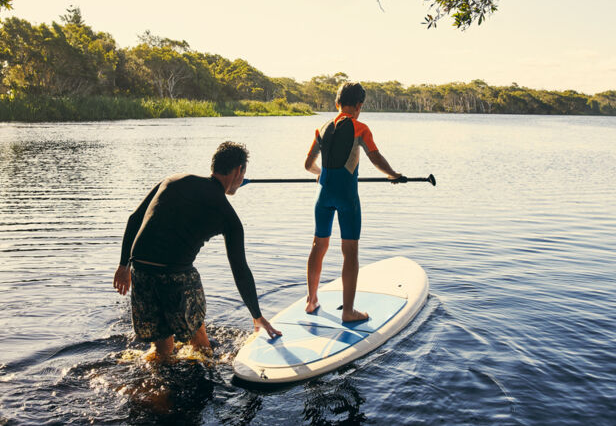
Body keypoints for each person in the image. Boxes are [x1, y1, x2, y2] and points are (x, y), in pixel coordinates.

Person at [113, 141, 282, 362]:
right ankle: (207, 368)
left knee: (162, 348)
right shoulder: (227, 215)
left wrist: (123, 265)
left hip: (140, 271)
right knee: (199, 339)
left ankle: (158, 383)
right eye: (243, 173)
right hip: (175, 275)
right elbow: (240, 270)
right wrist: (257, 316)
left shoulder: (174, 180)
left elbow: (134, 219)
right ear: (239, 171)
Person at [304, 82, 402, 322]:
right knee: (350, 251)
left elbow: (308, 165)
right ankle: (348, 312)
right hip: (347, 197)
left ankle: (311, 300)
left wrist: (320, 173)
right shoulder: (360, 128)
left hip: (323, 195)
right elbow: (375, 157)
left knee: (319, 246)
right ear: (359, 105)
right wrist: (393, 175)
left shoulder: (322, 128)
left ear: (337, 104)